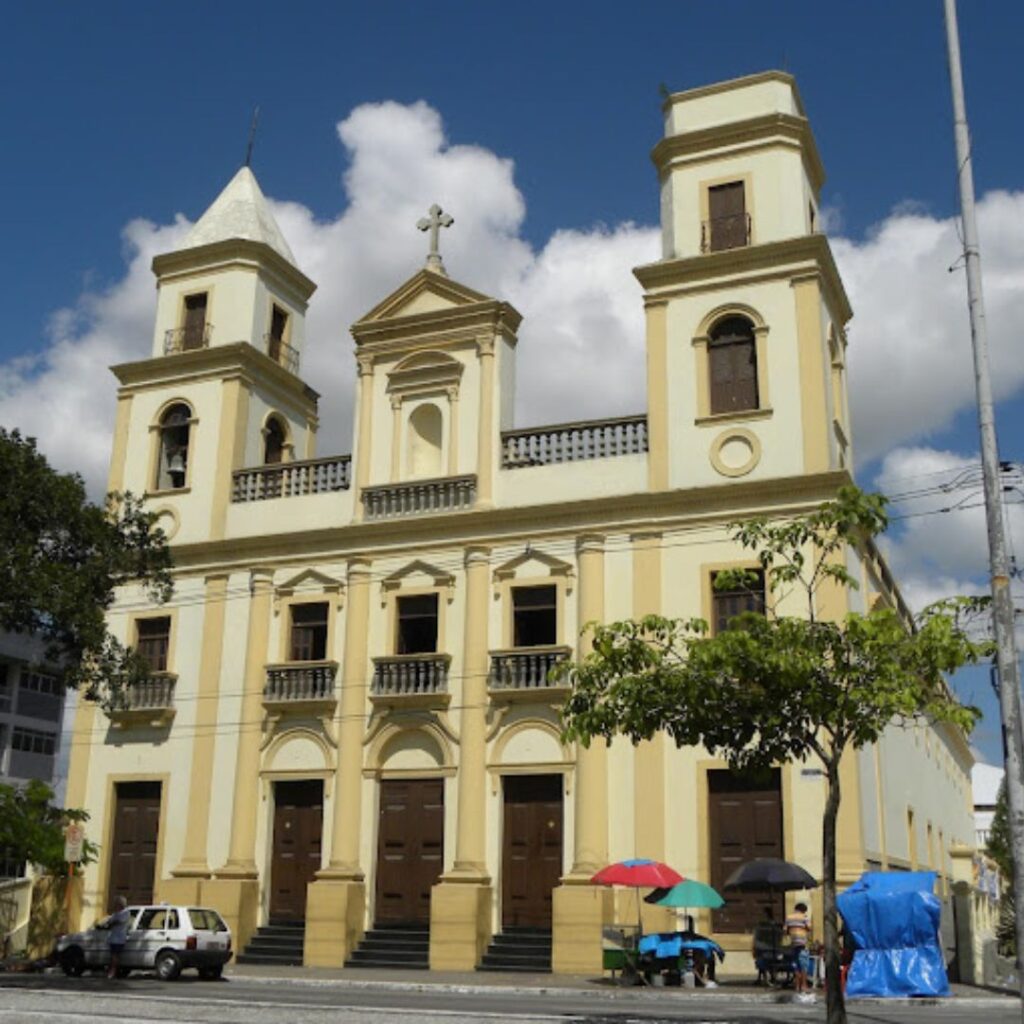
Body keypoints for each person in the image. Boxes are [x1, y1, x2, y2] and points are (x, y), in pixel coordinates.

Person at [785, 901, 813, 999]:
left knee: (796, 966)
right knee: (804, 966)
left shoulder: (789, 917)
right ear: (804, 910)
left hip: (793, 943)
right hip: (803, 944)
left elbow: (786, 930)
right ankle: (804, 986)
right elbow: (809, 928)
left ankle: (797, 986)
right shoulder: (804, 917)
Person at [102, 896, 131, 979]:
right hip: (113, 937)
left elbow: (115, 922)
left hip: (119, 938)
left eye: (117, 903)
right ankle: (112, 971)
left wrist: (110, 923)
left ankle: (113, 972)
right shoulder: (116, 913)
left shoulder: (125, 912)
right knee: (112, 956)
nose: (115, 905)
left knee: (115, 956)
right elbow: (109, 921)